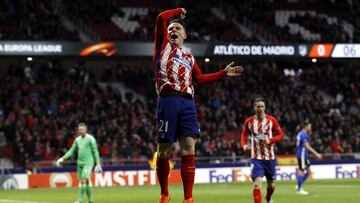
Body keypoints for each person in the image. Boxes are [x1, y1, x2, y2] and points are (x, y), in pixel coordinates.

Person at [153, 8, 244, 203]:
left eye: (177, 28)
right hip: (168, 100)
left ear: (184, 34)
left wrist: (222, 73)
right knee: (165, 150)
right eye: (170, 29)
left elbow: (200, 79)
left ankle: (188, 198)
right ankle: (164, 194)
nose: (173, 31)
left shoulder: (189, 58)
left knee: (189, 149)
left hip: (188, 103)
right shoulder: (162, 47)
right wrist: (177, 11)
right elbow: (161, 18)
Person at [241, 97, 284, 203]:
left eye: (262, 106)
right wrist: (244, 145)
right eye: (258, 106)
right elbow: (244, 134)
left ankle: (268, 197)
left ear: (265, 108)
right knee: (257, 183)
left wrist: (271, 140)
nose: (260, 108)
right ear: (254, 107)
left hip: (269, 158)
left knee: (272, 185)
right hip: (256, 158)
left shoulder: (272, 120)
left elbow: (280, 135)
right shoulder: (249, 122)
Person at [56, 123, 102, 203]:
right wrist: (63, 158)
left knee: (84, 180)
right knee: (85, 182)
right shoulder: (77, 140)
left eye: (82, 129)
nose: (80, 131)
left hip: (88, 162)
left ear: (86, 130)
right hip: (79, 163)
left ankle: (80, 200)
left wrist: (98, 163)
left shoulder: (91, 139)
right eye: (79, 130)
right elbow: (71, 150)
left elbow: (95, 151)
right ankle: (91, 200)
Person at [295, 121, 322, 195]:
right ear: (305, 126)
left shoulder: (301, 134)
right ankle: (299, 190)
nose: (310, 128)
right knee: (301, 171)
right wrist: (316, 154)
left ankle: (298, 186)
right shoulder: (303, 134)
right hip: (302, 155)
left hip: (303, 154)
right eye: (309, 126)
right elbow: (307, 146)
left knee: (309, 172)